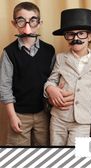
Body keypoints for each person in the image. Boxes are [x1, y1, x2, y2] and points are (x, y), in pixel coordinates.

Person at [44, 8, 91, 146]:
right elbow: (51, 81)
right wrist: (50, 89)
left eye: (81, 34)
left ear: (90, 36)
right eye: (70, 34)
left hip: (83, 121)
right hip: (59, 118)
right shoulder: (61, 58)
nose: (76, 38)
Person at [0, 2, 55, 146]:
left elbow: (53, 80)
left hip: (43, 113)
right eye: (21, 21)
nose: (27, 27)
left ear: (39, 22)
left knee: (44, 154)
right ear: (14, 23)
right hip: (19, 114)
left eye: (32, 21)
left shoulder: (49, 51)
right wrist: (12, 116)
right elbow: (4, 86)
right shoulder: (9, 53)